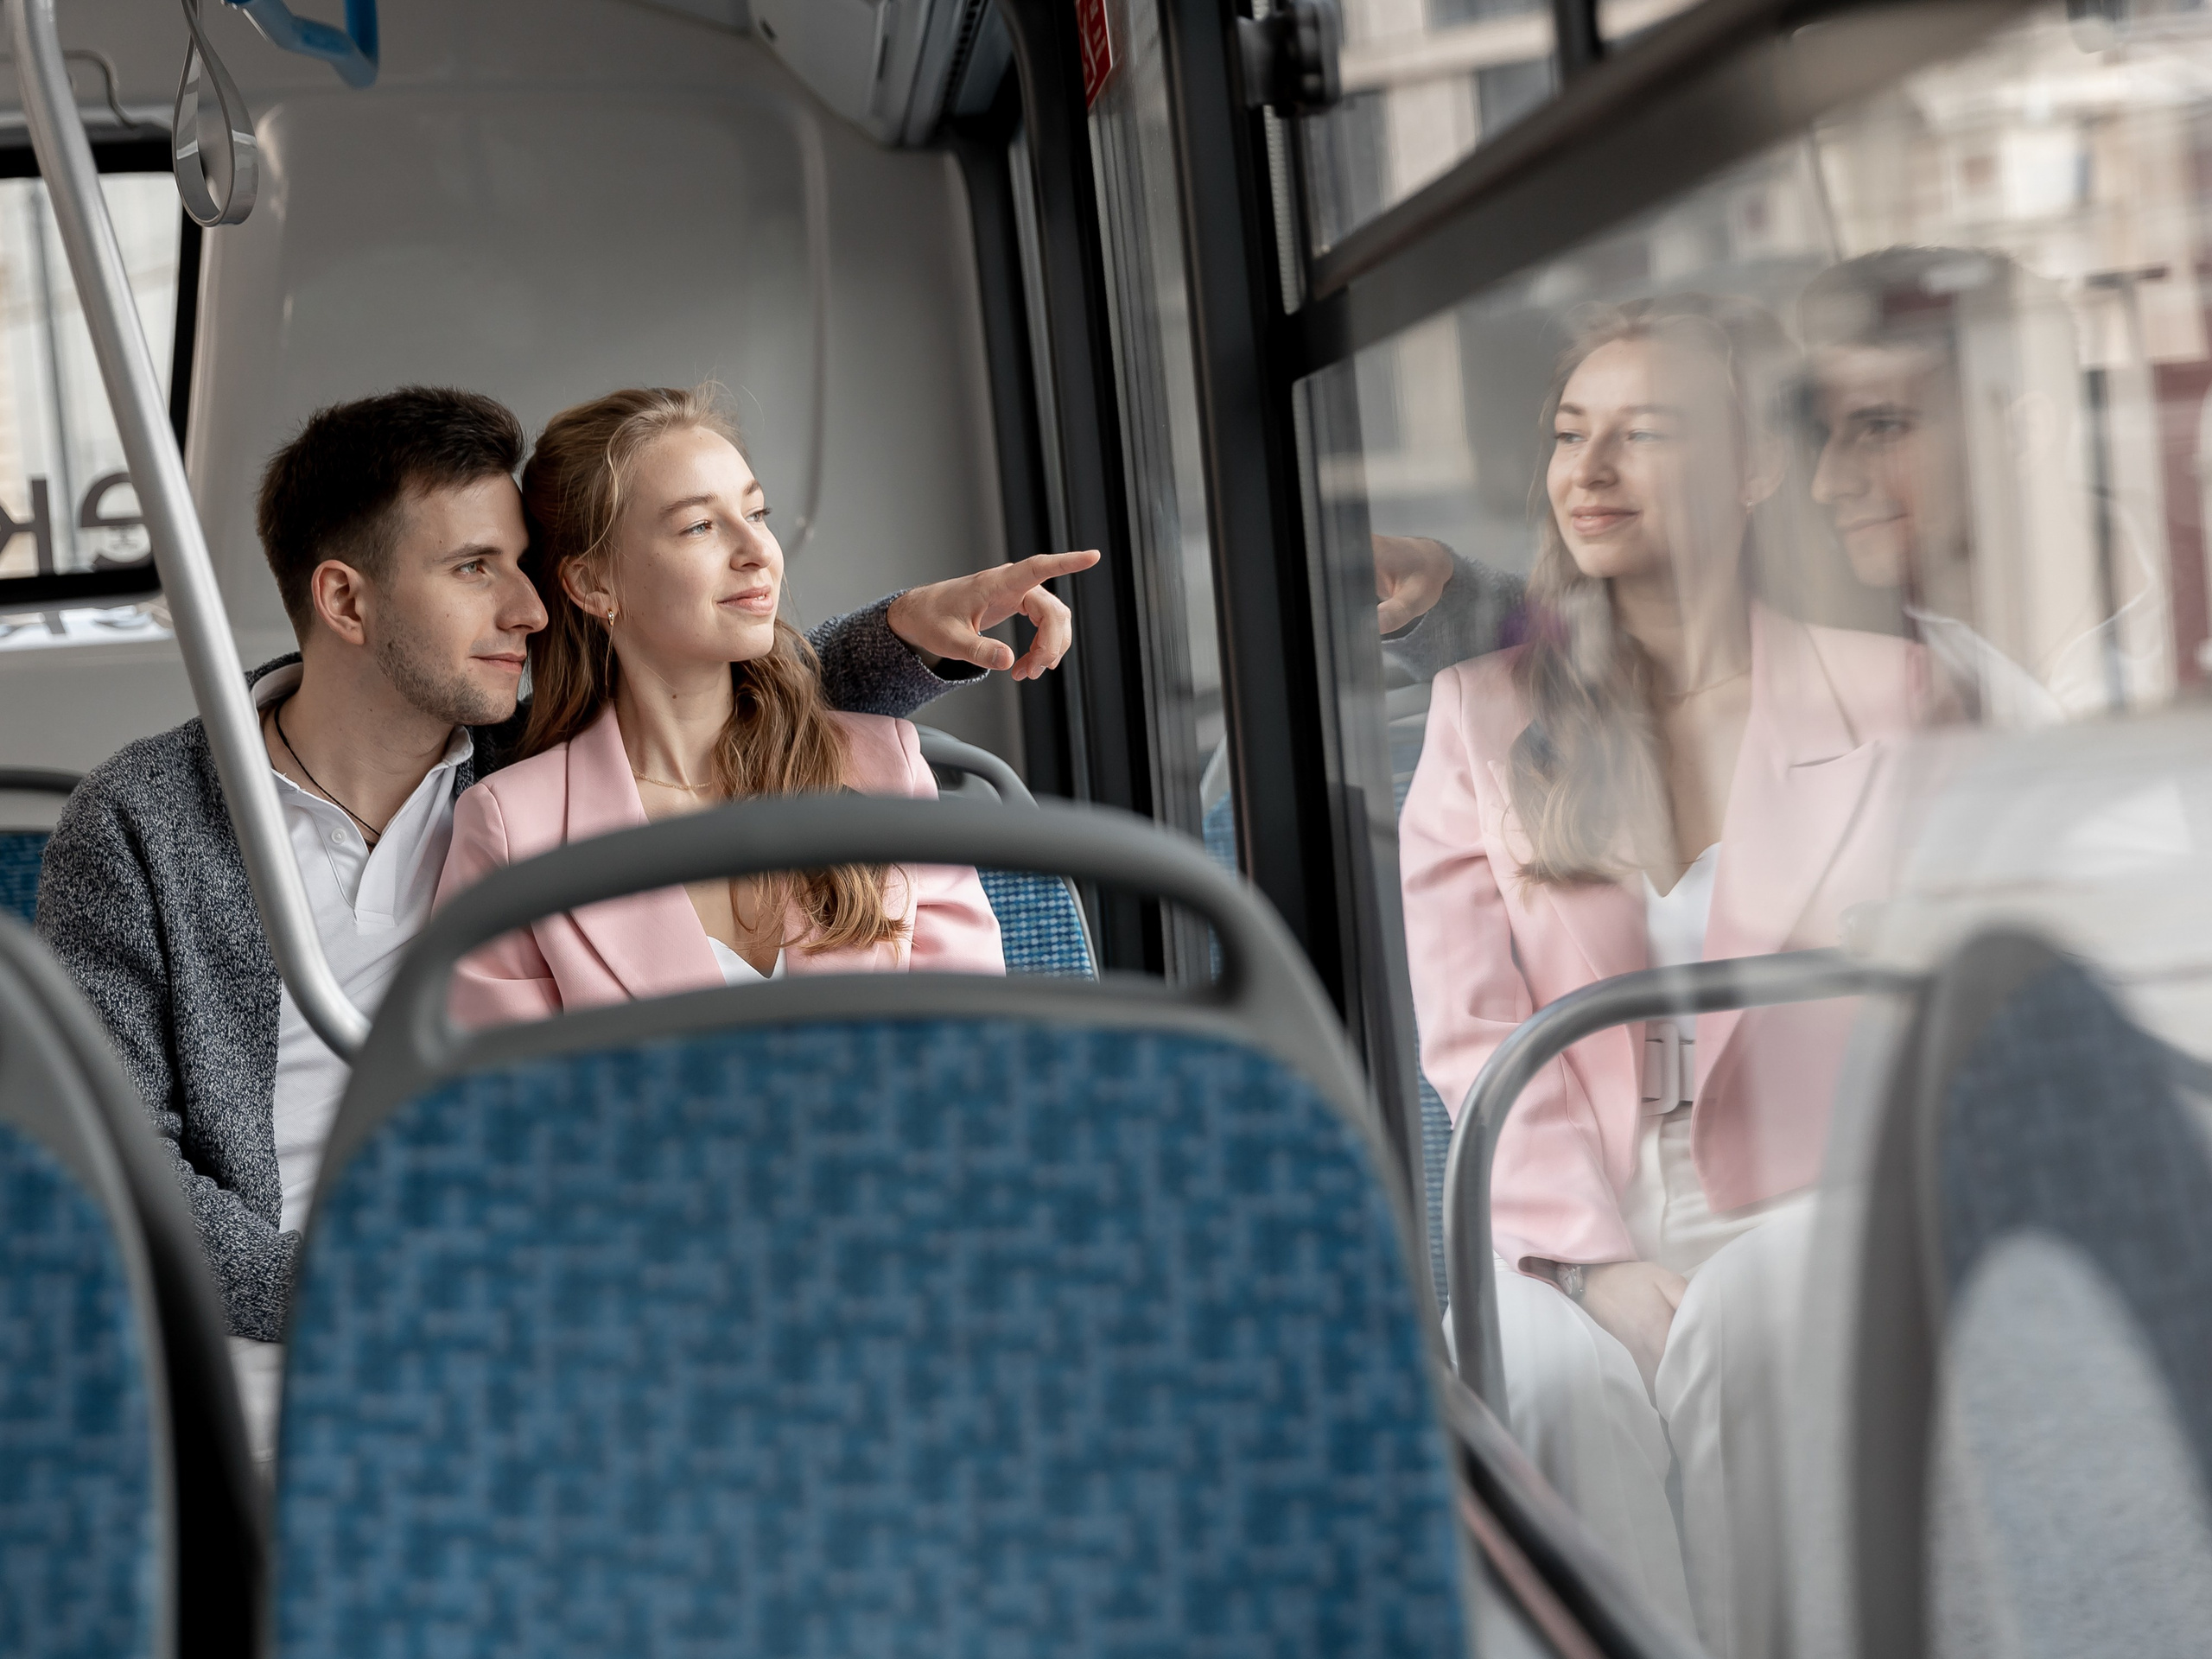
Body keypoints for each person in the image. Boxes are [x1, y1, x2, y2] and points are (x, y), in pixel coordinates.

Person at [35, 385, 1095, 1459]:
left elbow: (718, 687)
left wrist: (906, 633)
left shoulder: (523, 750)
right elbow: (96, 1149)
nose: (529, 611)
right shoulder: (146, 824)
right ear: (347, 604)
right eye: (475, 569)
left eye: (525, 568)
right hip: (262, 1321)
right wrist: (350, 1292)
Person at [1396, 298, 1949, 1658]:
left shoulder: (1897, 699)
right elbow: (1472, 1034)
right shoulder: (1484, 715)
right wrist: (1595, 1267)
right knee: (1551, 1384)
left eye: (1641, 434)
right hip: (1569, 1196)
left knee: (1752, 1333)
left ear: (1752, 466)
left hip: (1821, 1191)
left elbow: (1935, 996)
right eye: (1571, 435)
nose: (1589, 471)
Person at [435, 387, 1004, 1014]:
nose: (758, 551)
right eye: (700, 526)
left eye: (756, 514)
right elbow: (506, 1097)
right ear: (595, 583)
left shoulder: (885, 765)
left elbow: (970, 1044)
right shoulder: (513, 830)